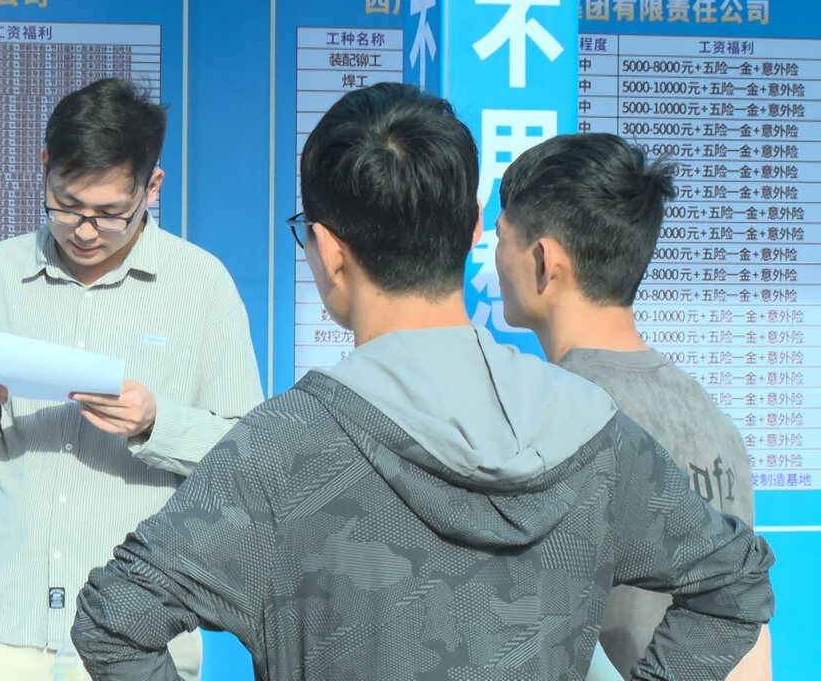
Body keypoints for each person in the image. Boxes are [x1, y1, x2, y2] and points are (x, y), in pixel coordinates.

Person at [71, 82, 775, 680]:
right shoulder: (593, 430)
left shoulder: (283, 449)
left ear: (328, 252)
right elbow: (736, 586)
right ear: (473, 229)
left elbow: (115, 617)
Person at [0, 77, 263, 681]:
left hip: (137, 637)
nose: (84, 230)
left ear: (152, 186)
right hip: (3, 627)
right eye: (66, 205)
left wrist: (157, 423)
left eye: (110, 213)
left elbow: (247, 453)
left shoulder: (202, 286)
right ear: (44, 168)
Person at [493, 131, 772, 679]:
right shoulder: (711, 415)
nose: (495, 258)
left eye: (500, 238)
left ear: (544, 260)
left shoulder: (549, 416)